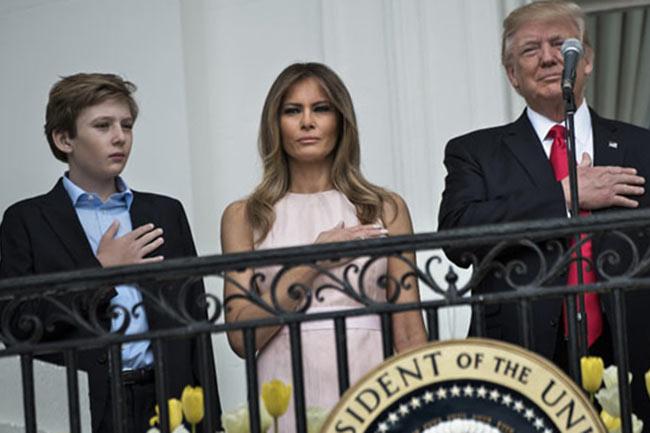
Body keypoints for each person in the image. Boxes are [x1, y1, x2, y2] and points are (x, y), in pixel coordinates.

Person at [438, 0, 650, 422]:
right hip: (522, 354)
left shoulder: (641, 146)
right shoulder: (475, 152)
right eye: (531, 49)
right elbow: (458, 238)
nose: (550, 58)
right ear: (512, 74)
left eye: (562, 45)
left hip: (632, 350)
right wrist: (565, 196)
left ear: (587, 61)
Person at [0, 73, 222, 433]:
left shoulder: (165, 212)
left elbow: (195, 322)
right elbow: (15, 325)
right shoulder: (26, 220)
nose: (120, 137)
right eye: (102, 126)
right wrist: (100, 271)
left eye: (126, 125)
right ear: (64, 139)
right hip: (81, 407)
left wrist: (210, 422)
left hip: (165, 400)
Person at [221, 62, 427, 431]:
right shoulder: (245, 216)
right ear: (275, 125)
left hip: (370, 385)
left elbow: (410, 331)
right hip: (284, 387)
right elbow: (240, 338)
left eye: (320, 108)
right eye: (292, 111)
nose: (307, 122)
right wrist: (312, 261)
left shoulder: (385, 207)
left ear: (341, 121)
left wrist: (428, 413)